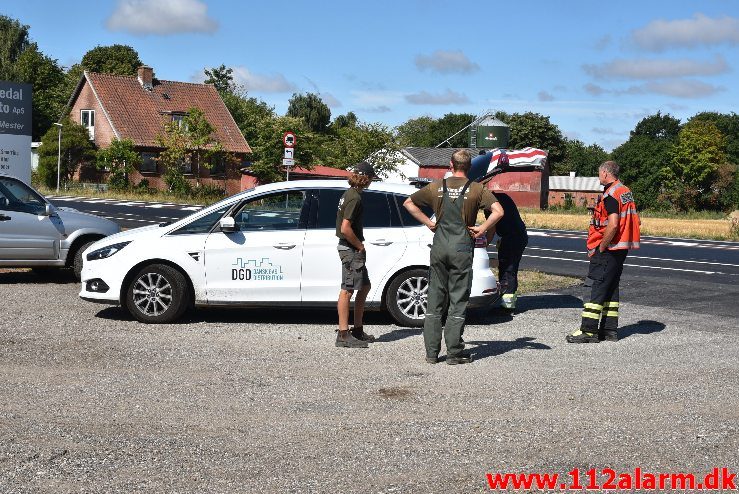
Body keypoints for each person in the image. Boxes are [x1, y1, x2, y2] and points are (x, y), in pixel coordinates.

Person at [404, 149, 504, 364]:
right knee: (458, 300)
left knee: (435, 299)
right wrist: (482, 228)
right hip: (461, 249)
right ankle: (454, 352)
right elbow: (499, 211)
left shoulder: (435, 187)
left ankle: (431, 353)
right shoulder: (478, 189)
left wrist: (429, 223)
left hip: (439, 247)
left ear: (451, 164)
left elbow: (408, 203)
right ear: (469, 167)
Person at [567, 160, 640, 343]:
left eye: (599, 173)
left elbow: (613, 223)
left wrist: (601, 246)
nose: (598, 176)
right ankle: (609, 330)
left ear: (606, 174)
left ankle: (588, 331)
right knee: (610, 288)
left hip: (608, 248)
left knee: (595, 287)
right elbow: (635, 221)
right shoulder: (625, 191)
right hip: (621, 248)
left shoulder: (611, 194)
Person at [335, 161, 377, 348]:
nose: (371, 182)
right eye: (371, 178)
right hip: (350, 248)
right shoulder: (354, 198)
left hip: (352, 248)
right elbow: (345, 228)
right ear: (366, 178)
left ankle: (357, 329)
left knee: (365, 286)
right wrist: (360, 246)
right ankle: (343, 334)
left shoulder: (350, 194)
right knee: (348, 290)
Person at [487, 191, 528, 311]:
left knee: (507, 269)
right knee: (512, 269)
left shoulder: (490, 205)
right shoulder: (503, 197)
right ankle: (509, 301)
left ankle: (507, 306)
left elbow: (491, 229)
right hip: (518, 235)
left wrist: (483, 245)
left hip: (511, 237)